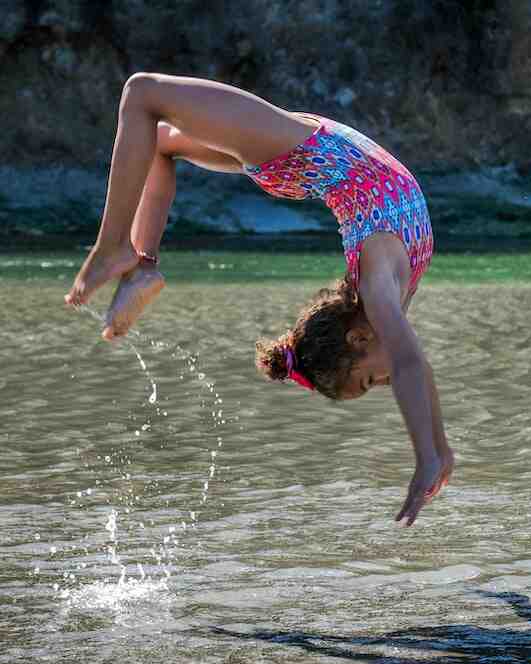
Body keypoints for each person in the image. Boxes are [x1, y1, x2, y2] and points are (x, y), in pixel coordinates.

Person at [64, 73, 451, 526]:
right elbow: (413, 365)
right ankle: (132, 260)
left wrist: (428, 453)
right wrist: (438, 450)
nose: (385, 385)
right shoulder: (385, 296)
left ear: (358, 340)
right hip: (305, 156)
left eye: (368, 383)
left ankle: (127, 254)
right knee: (155, 126)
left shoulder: (377, 287)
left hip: (299, 152)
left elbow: (409, 366)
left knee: (143, 96)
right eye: (372, 385)